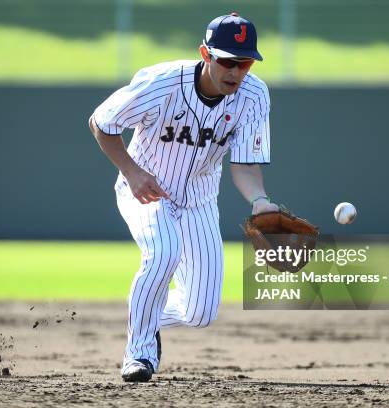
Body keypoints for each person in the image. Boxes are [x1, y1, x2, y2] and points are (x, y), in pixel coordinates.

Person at [88, 12, 279, 382]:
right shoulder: (161, 83)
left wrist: (260, 201)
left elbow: (245, 166)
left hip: (200, 201)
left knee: (201, 313)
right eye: (227, 61)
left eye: (245, 63)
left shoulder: (254, 95)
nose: (236, 72)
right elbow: (101, 122)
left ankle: (143, 314)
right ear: (205, 54)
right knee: (163, 253)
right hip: (146, 191)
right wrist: (132, 171)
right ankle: (139, 354)